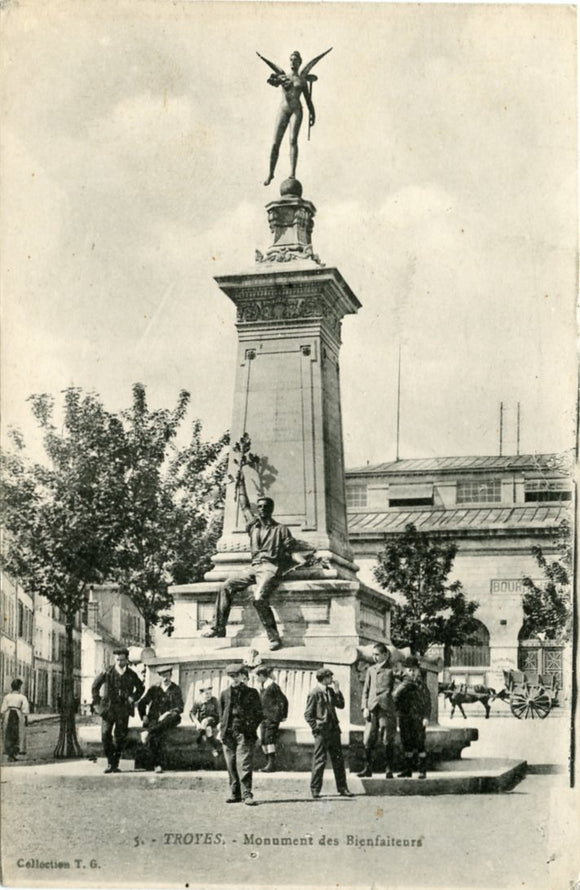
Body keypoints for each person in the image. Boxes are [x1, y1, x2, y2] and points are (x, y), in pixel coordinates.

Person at [202, 487, 312, 651]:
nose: (261, 510)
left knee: (259, 598)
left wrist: (303, 561)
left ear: (271, 509)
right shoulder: (253, 527)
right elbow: (245, 506)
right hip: (254, 567)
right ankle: (218, 627)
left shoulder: (281, 529)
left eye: (265, 507)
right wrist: (240, 485)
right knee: (225, 586)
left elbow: (291, 550)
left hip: (270, 567)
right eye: (259, 507)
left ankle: (273, 637)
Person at [257, 48, 332, 186]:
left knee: (293, 140)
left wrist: (312, 113)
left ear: (299, 62)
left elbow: (308, 99)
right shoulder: (283, 76)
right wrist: (263, 58)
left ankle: (292, 173)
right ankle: (270, 173)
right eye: (291, 60)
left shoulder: (302, 80)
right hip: (284, 110)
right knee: (275, 143)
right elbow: (273, 68)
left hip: (296, 110)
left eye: (295, 60)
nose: (293, 62)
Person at [91, 647, 144, 774]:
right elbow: (95, 686)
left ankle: (115, 763)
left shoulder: (131, 674)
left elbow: (141, 688)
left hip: (123, 710)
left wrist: (133, 697)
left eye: (122, 660)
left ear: (127, 660)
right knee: (105, 735)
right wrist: (98, 704)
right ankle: (110, 762)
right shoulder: (107, 672)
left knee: (120, 737)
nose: (119, 662)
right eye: (117, 659)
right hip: (108, 710)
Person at [304, 668, 353, 799]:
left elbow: (341, 705)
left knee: (338, 760)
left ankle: (342, 788)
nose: (332, 679)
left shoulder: (330, 691)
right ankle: (315, 789)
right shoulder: (314, 693)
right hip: (322, 732)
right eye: (330, 677)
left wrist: (337, 691)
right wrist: (316, 728)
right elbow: (308, 715)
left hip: (334, 731)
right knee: (319, 760)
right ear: (323, 678)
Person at [218, 663, 263, 806]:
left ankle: (246, 794)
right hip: (228, 734)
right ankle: (234, 793)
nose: (234, 679)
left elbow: (258, 714)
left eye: (236, 676)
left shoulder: (252, 693)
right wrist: (222, 731)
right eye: (231, 677)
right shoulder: (224, 694)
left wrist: (251, 729)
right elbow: (221, 714)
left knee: (244, 764)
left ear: (243, 676)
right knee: (230, 764)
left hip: (244, 733)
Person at [357, 642, 397, 779]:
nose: (374, 657)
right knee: (368, 738)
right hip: (372, 708)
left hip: (386, 709)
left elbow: (397, 689)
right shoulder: (371, 670)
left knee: (387, 738)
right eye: (373, 655)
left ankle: (389, 769)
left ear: (385, 655)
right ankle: (367, 769)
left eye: (377, 654)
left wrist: (390, 700)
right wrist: (364, 707)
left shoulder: (391, 670)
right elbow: (365, 691)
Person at [137, 665, 184, 774]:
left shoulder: (175, 689)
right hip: (155, 718)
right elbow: (142, 703)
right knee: (156, 736)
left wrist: (167, 713)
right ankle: (157, 764)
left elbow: (180, 707)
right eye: (163, 676)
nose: (165, 678)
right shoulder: (154, 688)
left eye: (167, 675)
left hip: (169, 718)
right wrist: (143, 716)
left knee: (175, 717)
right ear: (160, 676)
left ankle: (147, 732)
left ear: (171, 675)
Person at [393, 655, 432, 779]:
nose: (411, 672)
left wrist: (426, 717)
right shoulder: (401, 683)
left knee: (420, 743)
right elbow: (396, 699)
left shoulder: (421, 685)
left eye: (414, 669)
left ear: (418, 670)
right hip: (405, 716)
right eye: (409, 669)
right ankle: (407, 770)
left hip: (418, 717)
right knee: (406, 743)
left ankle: (422, 770)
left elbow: (427, 702)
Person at [254, 664, 288, 772]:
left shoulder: (273, 687)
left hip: (272, 718)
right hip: (264, 718)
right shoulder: (263, 687)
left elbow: (284, 701)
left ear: (263, 676)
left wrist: (283, 715)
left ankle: (271, 764)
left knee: (269, 740)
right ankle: (268, 762)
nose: (257, 679)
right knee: (264, 740)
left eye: (258, 676)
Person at [190, 683, 220, 762]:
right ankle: (214, 748)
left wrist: (220, 722)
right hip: (203, 723)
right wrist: (196, 723)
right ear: (201, 694)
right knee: (208, 730)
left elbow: (219, 712)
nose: (208, 695)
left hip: (213, 719)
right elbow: (192, 713)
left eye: (210, 693)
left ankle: (201, 737)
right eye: (206, 693)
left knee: (205, 722)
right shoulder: (198, 701)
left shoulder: (214, 700)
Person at [1, 679, 30, 762]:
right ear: (19, 687)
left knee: (8, 734)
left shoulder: (7, 697)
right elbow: (25, 709)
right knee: (17, 734)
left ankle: (10, 753)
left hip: (8, 714)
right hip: (18, 715)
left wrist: (3, 717)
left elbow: (3, 709)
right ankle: (14, 753)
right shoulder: (22, 697)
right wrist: (26, 718)